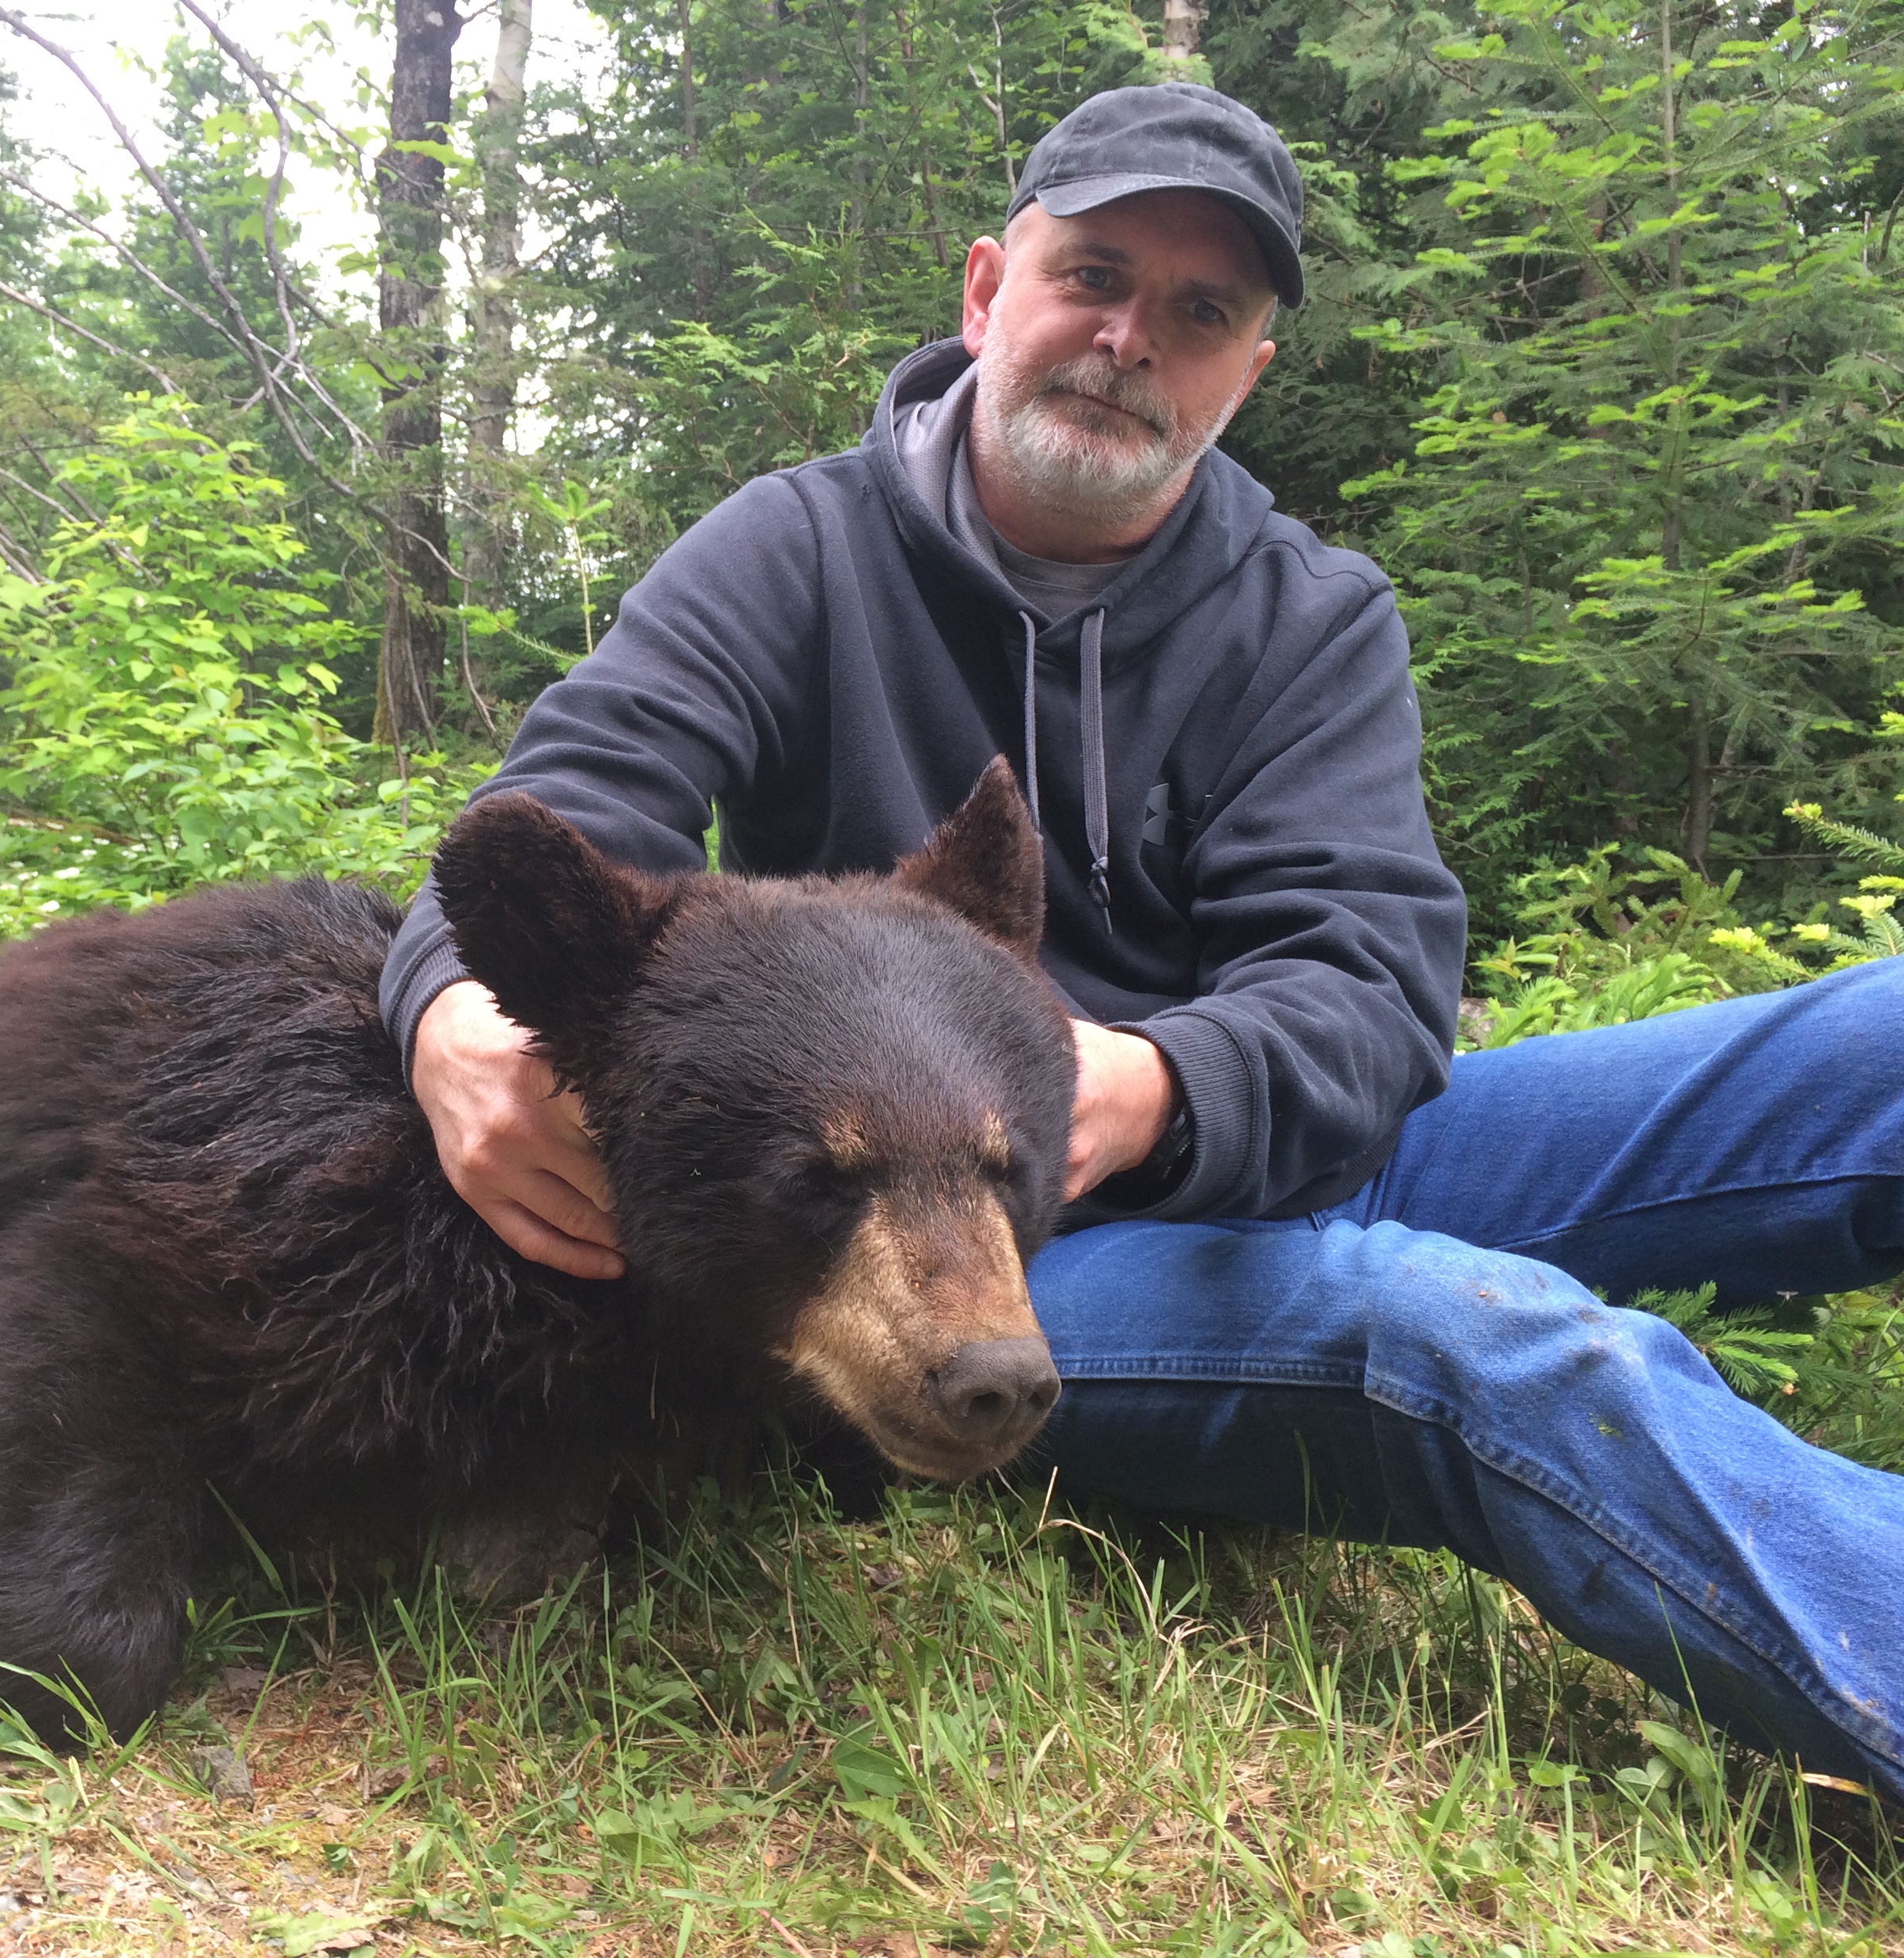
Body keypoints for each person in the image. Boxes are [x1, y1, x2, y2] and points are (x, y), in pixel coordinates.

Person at [379, 82, 1904, 1799]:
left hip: (1300, 1150)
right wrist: (445, 1018)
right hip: (995, 1262)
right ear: (988, 292)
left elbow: (1371, 986)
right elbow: (557, 830)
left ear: (1247, 371)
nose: (1129, 342)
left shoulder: (1306, 615)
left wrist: (1155, 1085)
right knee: (1470, 1337)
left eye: (1199, 312)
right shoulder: (795, 552)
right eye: (1092, 276)